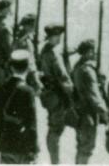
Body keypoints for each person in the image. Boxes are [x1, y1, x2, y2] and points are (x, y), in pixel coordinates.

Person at [0, 50, 39, 164]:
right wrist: (34, 148)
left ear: (11, 67)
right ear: (28, 68)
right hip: (22, 147)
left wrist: (0, 142)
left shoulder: (0, 89)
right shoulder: (27, 91)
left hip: (5, 145)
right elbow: (31, 124)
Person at [39, 24, 74, 165]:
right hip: (57, 94)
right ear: (52, 37)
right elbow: (63, 77)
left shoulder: (45, 50)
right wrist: (72, 93)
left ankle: (54, 160)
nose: (59, 38)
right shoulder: (53, 54)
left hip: (49, 93)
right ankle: (55, 161)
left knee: (53, 126)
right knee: (56, 129)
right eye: (57, 36)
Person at [72, 40, 108, 164]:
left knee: (82, 146)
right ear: (88, 52)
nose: (95, 53)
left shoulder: (78, 67)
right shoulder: (87, 70)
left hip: (81, 111)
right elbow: (94, 94)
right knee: (87, 147)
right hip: (88, 112)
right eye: (93, 50)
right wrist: (104, 111)